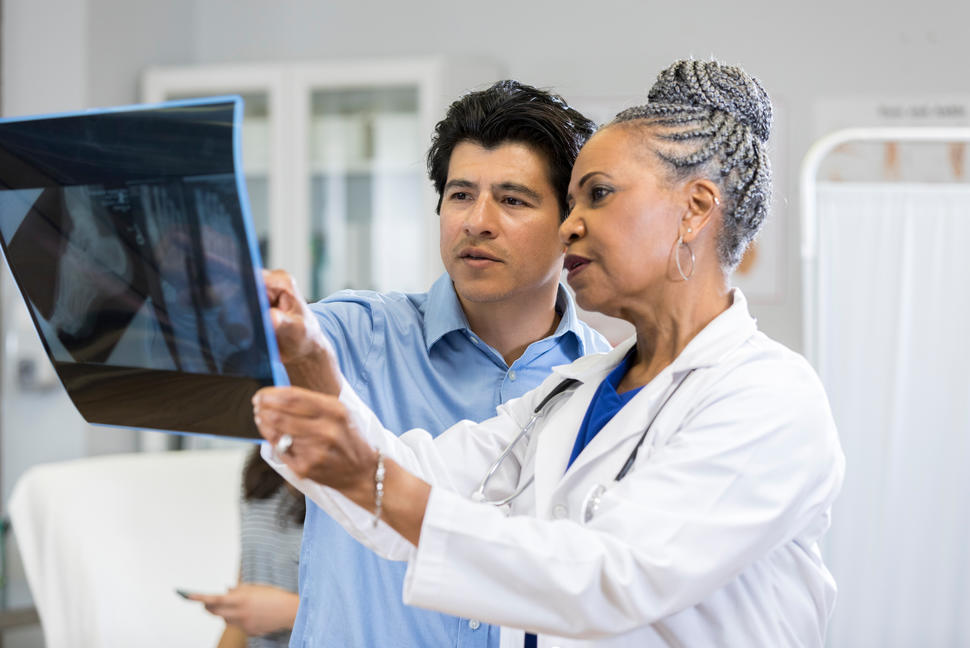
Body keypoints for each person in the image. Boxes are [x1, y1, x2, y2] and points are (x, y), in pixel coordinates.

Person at [254, 58, 846, 647]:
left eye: (599, 196)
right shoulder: (578, 390)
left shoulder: (768, 397)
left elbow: (610, 578)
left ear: (693, 210)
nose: (570, 228)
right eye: (573, 201)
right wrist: (309, 366)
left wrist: (375, 477)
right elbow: (421, 484)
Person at [262, 80, 611, 647]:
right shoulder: (353, 337)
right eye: (461, 194)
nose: (477, 221)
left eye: (513, 199)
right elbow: (244, 358)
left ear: (569, 224)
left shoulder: (603, 381)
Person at [190, 446, 304, 648]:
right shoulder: (259, 468)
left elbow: (368, 616)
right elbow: (246, 596)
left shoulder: (353, 484)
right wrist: (239, 610)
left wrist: (290, 611)